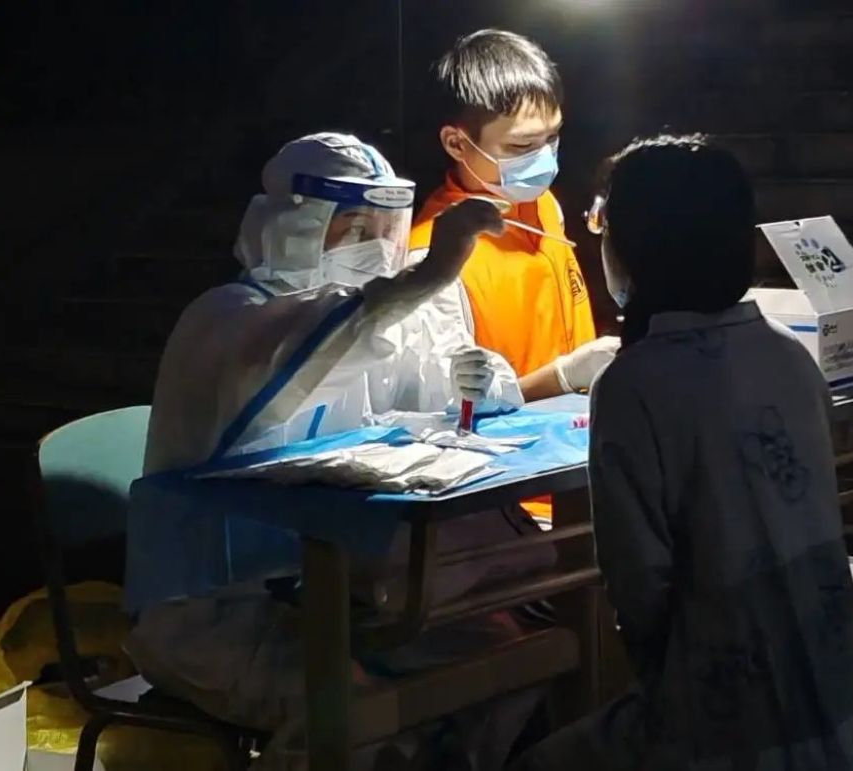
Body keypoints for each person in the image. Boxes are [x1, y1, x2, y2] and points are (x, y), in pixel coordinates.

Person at [125, 132, 554, 771]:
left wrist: (484, 386)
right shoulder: (228, 318)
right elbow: (307, 349)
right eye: (354, 229)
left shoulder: (376, 318)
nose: (375, 249)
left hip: (342, 594)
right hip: (217, 609)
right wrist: (427, 276)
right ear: (294, 226)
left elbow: (434, 408)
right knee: (351, 710)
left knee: (509, 657)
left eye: (385, 230)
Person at [510, 136, 853, 770]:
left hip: (716, 739)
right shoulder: (789, 356)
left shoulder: (635, 384)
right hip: (824, 732)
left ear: (634, 247)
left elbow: (638, 588)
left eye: (604, 224)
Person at [409, 29, 619, 402]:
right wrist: (563, 377)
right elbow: (450, 410)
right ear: (456, 143)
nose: (543, 158)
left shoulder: (543, 204)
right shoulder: (432, 261)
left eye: (552, 138)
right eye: (522, 145)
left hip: (580, 421)